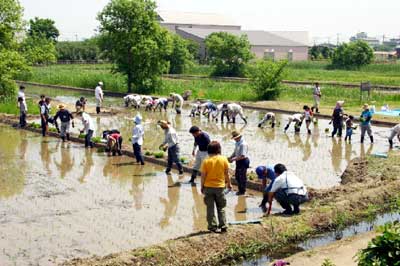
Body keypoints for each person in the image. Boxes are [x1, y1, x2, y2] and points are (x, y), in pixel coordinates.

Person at [200, 140, 232, 233]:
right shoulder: (224, 159)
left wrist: (202, 187)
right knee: (221, 207)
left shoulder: (206, 161)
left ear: (208, 150)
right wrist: (229, 184)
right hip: (220, 187)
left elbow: (203, 176)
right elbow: (227, 174)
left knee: (210, 208)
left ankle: (212, 227)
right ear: (219, 149)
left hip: (208, 187)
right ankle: (223, 226)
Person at [228, 131, 250, 195]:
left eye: (235, 138)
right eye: (234, 138)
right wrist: (230, 157)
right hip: (238, 161)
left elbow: (243, 156)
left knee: (242, 177)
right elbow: (235, 152)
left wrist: (233, 159)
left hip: (243, 161)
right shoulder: (237, 143)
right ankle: (240, 189)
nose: (234, 139)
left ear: (239, 137)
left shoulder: (243, 144)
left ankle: (242, 191)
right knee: (237, 176)